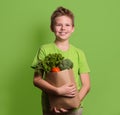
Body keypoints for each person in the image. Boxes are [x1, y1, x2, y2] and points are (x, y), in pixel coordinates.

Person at [31, 6, 90, 115]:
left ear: (73, 28)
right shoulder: (44, 50)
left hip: (74, 108)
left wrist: (74, 103)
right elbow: (37, 80)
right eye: (59, 25)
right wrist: (58, 91)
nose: (63, 28)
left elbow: (86, 85)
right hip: (51, 106)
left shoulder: (79, 53)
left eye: (67, 25)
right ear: (52, 28)